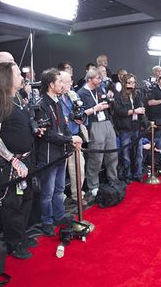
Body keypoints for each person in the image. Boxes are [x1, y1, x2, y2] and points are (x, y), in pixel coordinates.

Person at [0, 62, 36, 259]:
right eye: (18, 74)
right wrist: (12, 160)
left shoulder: (15, 98)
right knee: (11, 205)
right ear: (7, 77)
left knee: (26, 200)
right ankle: (14, 243)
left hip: (25, 160)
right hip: (9, 164)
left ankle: (22, 236)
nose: (22, 77)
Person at [36, 68, 82, 236]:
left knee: (59, 189)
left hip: (61, 153)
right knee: (47, 192)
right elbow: (47, 134)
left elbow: (63, 126)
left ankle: (59, 215)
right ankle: (47, 221)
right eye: (60, 82)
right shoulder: (41, 104)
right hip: (48, 156)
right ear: (51, 84)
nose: (63, 85)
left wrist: (73, 136)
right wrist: (70, 140)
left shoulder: (56, 101)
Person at [77, 67, 118, 195]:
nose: (100, 80)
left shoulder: (100, 89)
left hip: (106, 122)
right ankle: (93, 185)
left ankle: (113, 178)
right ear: (89, 79)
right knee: (96, 157)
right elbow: (80, 114)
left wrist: (109, 102)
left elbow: (106, 103)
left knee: (112, 154)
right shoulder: (81, 93)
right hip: (94, 124)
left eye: (100, 78)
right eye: (97, 78)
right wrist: (95, 108)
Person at [59, 71, 88, 207]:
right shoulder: (54, 98)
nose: (71, 83)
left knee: (79, 169)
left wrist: (81, 117)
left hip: (76, 138)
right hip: (60, 140)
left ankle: (77, 194)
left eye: (70, 80)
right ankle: (60, 199)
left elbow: (82, 111)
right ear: (59, 82)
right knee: (59, 174)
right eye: (68, 81)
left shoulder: (73, 94)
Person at [114, 73, 145, 183]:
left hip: (137, 127)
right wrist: (134, 111)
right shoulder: (118, 96)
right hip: (125, 128)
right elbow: (119, 111)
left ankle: (139, 174)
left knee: (139, 153)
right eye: (129, 82)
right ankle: (128, 175)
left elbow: (142, 107)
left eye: (133, 82)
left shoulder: (137, 94)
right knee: (126, 155)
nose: (132, 84)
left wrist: (141, 111)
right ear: (124, 83)